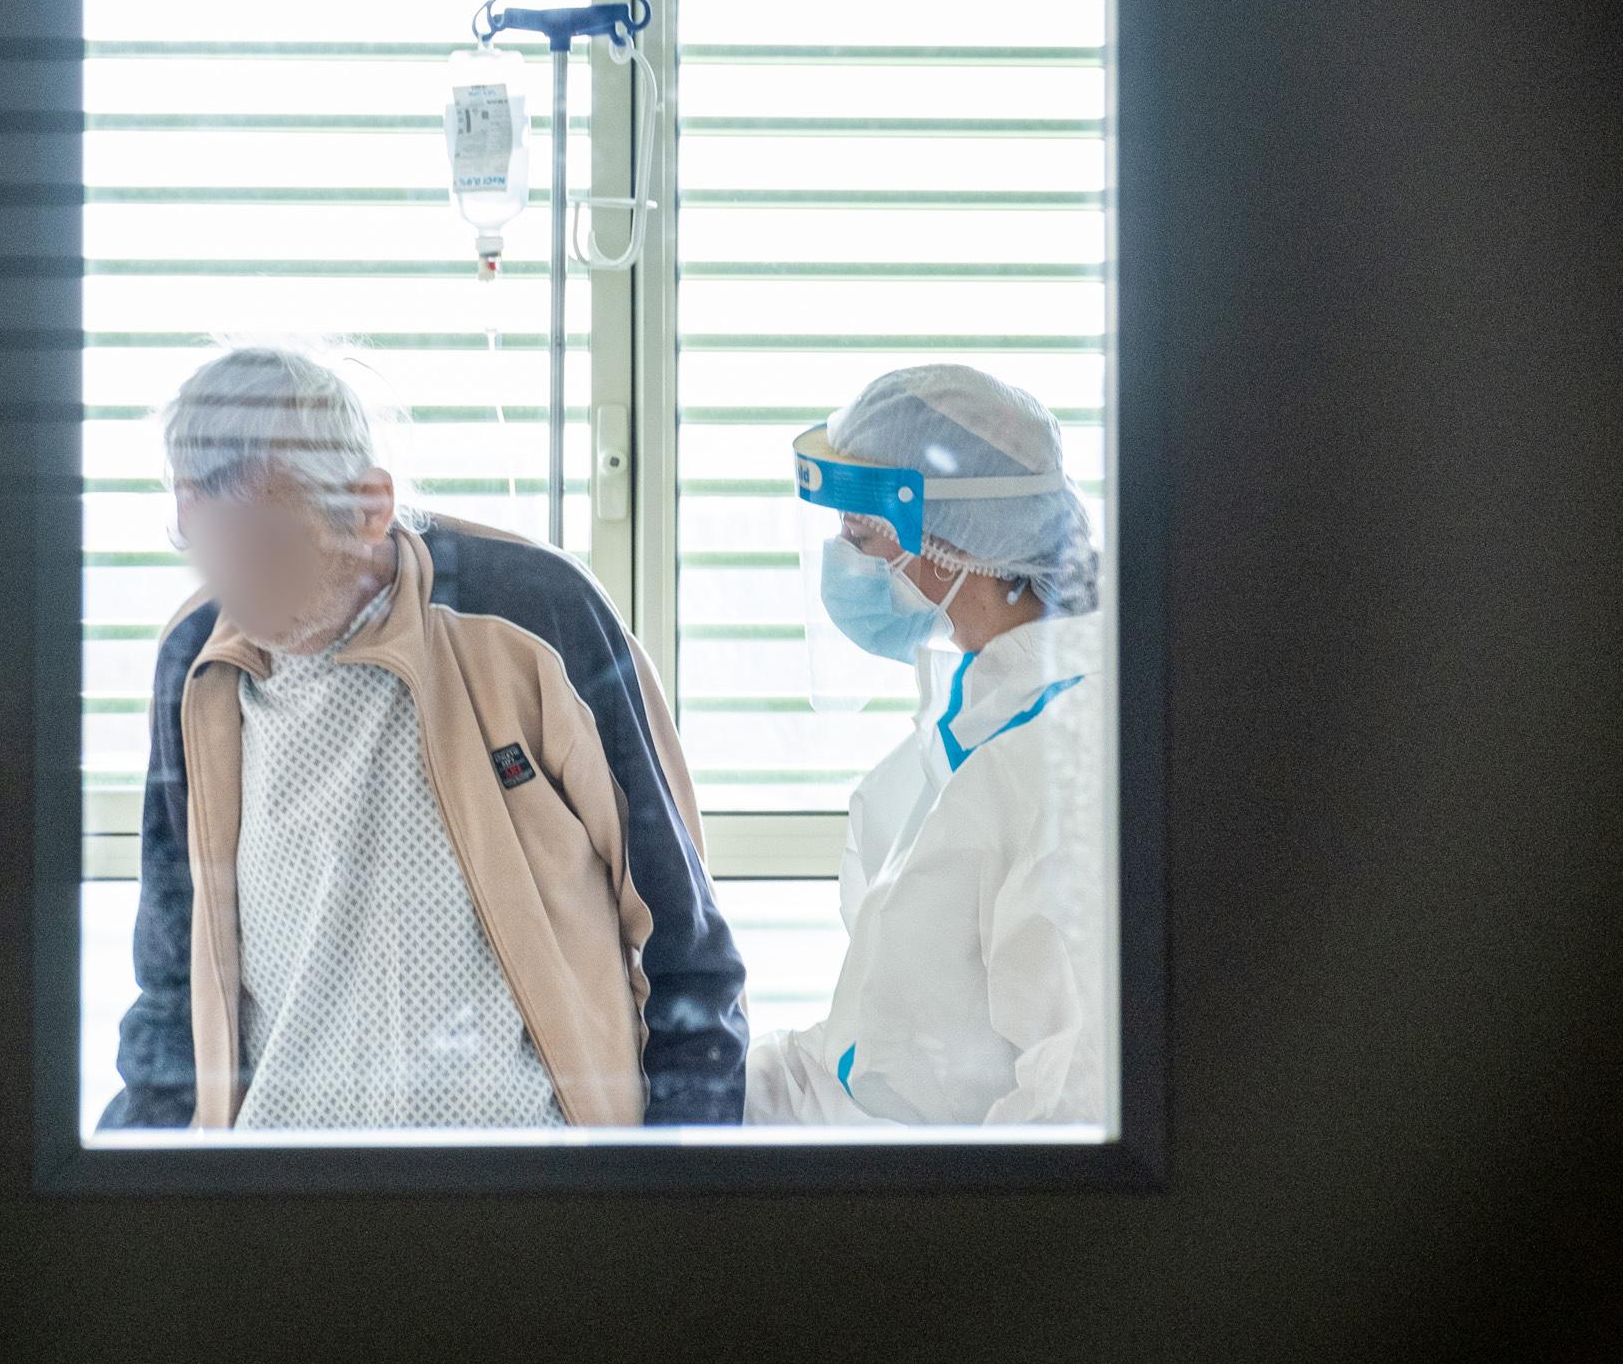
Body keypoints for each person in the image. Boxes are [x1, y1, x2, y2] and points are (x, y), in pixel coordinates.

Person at [101, 342, 746, 1130]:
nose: (234, 587)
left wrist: (684, 1179)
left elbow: (683, 940)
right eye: (204, 546)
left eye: (265, 545)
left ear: (370, 506)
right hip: (278, 1190)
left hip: (536, 1186)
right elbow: (172, 972)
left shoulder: (533, 611)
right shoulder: (196, 661)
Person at [743, 364, 1111, 1126]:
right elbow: (880, 1048)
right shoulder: (978, 718)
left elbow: (1074, 1099)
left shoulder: (1066, 766)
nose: (843, 560)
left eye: (859, 533)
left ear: (947, 545)